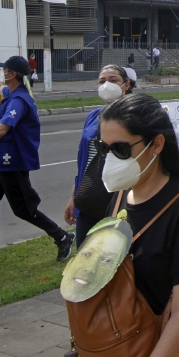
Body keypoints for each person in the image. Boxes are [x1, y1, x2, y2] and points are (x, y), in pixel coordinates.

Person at [100, 94, 179, 357]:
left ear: (157, 144)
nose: (110, 159)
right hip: (123, 347)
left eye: (120, 149)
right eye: (104, 149)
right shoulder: (119, 196)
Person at [0, 53, 73, 267]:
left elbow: (2, 129)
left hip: (13, 162)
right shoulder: (12, 93)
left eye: (5, 70)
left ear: (13, 74)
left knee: (23, 209)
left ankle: (62, 237)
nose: (3, 72)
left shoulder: (19, 101)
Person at [64, 65, 133, 248]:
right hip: (89, 195)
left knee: (114, 255)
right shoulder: (94, 116)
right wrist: (74, 197)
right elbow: (85, 162)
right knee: (85, 254)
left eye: (113, 80)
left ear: (126, 85)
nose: (106, 85)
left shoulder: (135, 116)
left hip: (120, 198)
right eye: (102, 81)